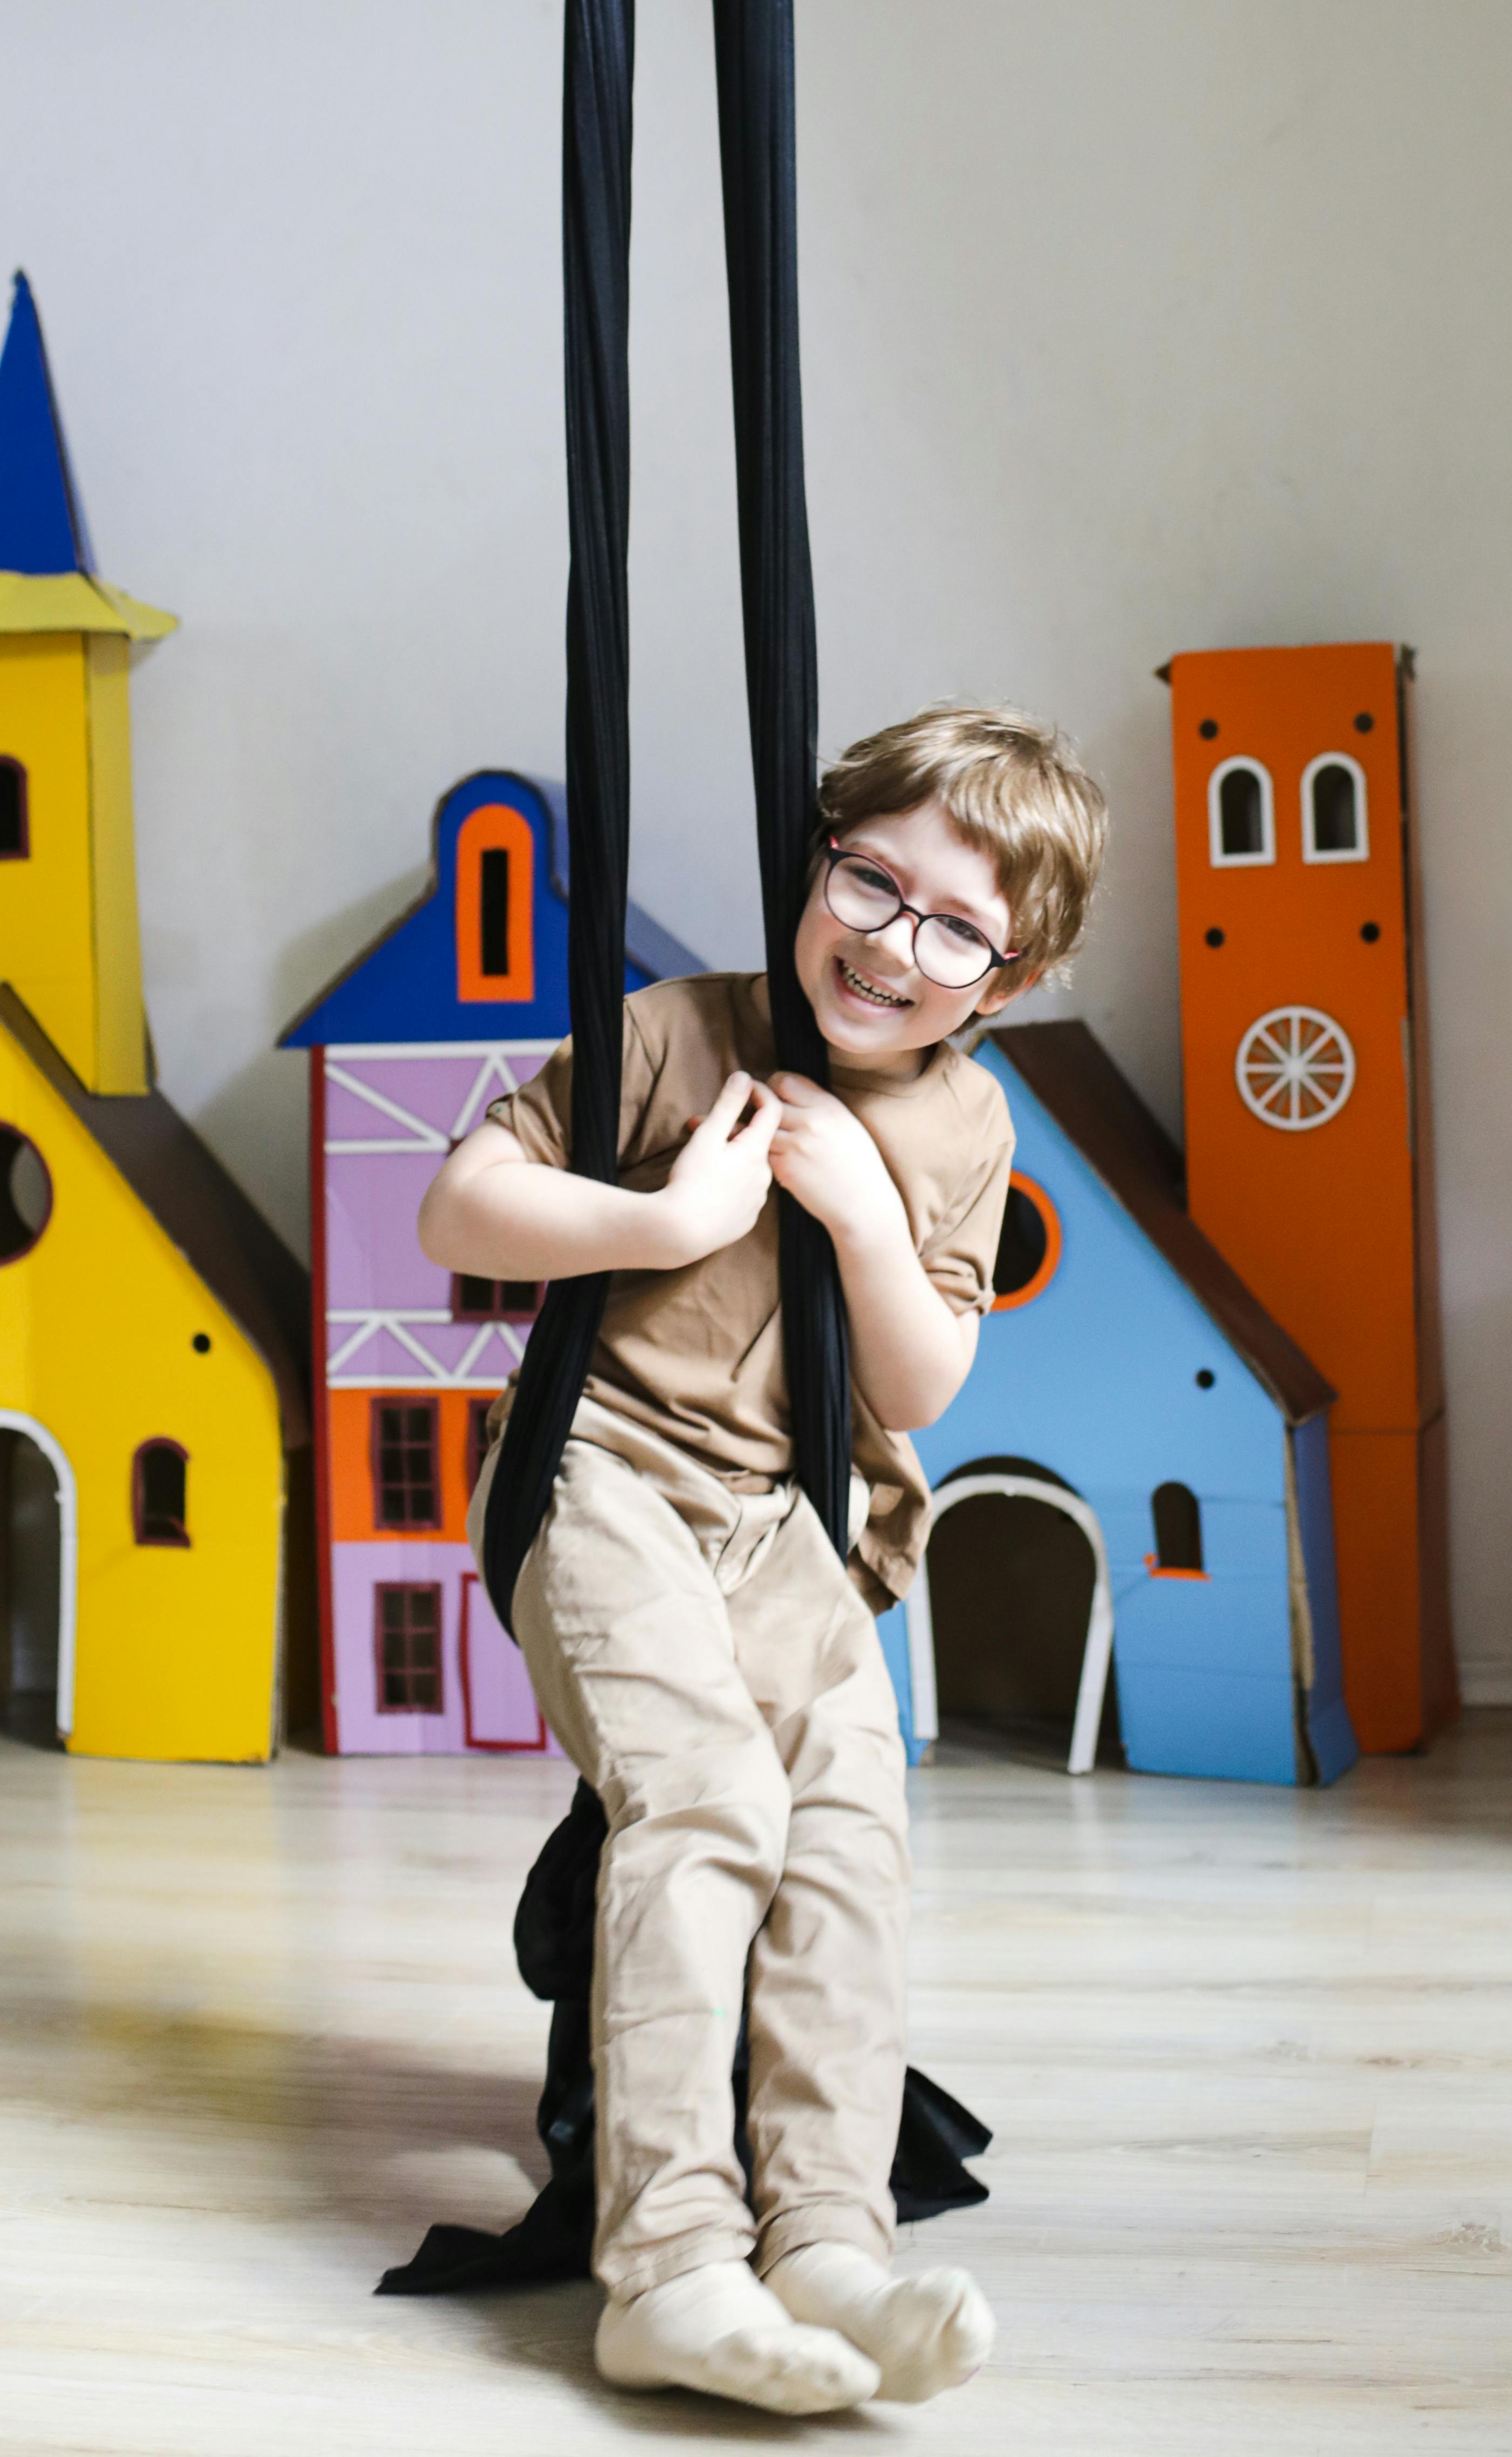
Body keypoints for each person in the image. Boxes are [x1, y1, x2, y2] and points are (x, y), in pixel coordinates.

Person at [421, 704, 1106, 2416]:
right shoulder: (673, 1037)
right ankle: (669, 2265)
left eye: (958, 929)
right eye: (873, 884)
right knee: (712, 1796)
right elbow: (459, 1204)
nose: (895, 945)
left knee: (852, 1824)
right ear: (818, 865)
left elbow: (917, 1382)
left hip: (794, 1523)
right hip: (602, 1481)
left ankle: (825, 2244)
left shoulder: (965, 1131)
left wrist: (869, 1222)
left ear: (1002, 982)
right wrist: (661, 1227)